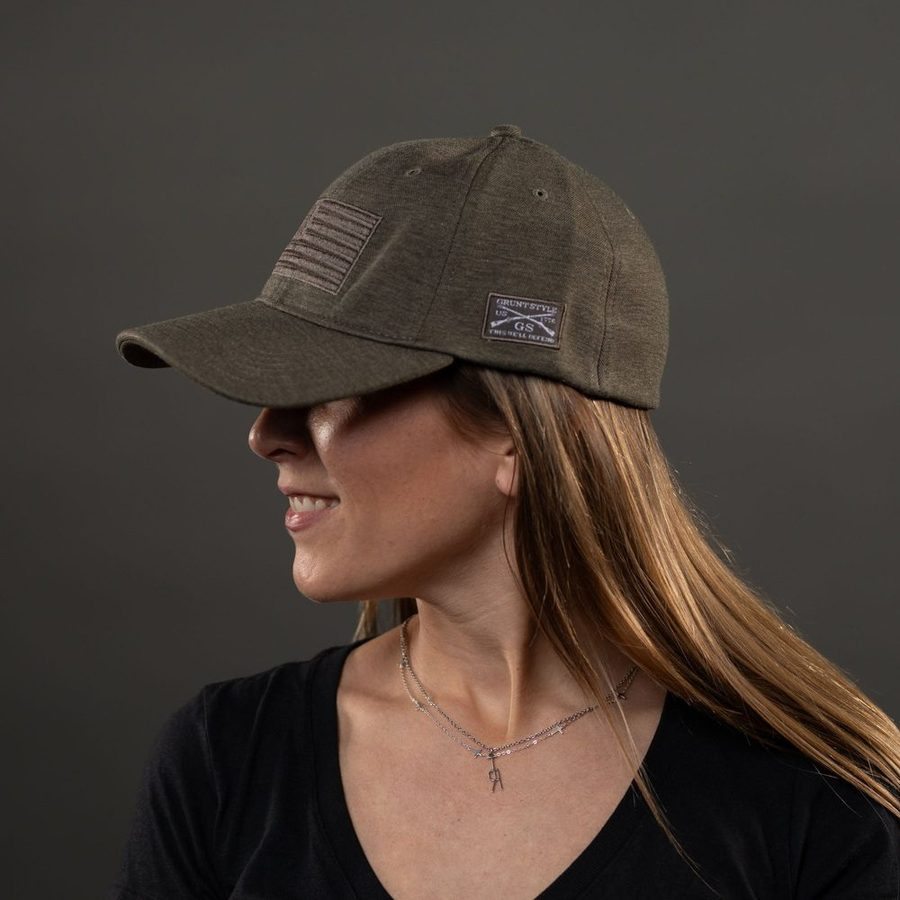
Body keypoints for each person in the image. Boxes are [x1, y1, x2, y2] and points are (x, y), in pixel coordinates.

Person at [109, 124, 899, 899]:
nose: (266, 436)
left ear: (519, 439)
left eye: (329, 385)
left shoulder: (815, 805)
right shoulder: (228, 761)